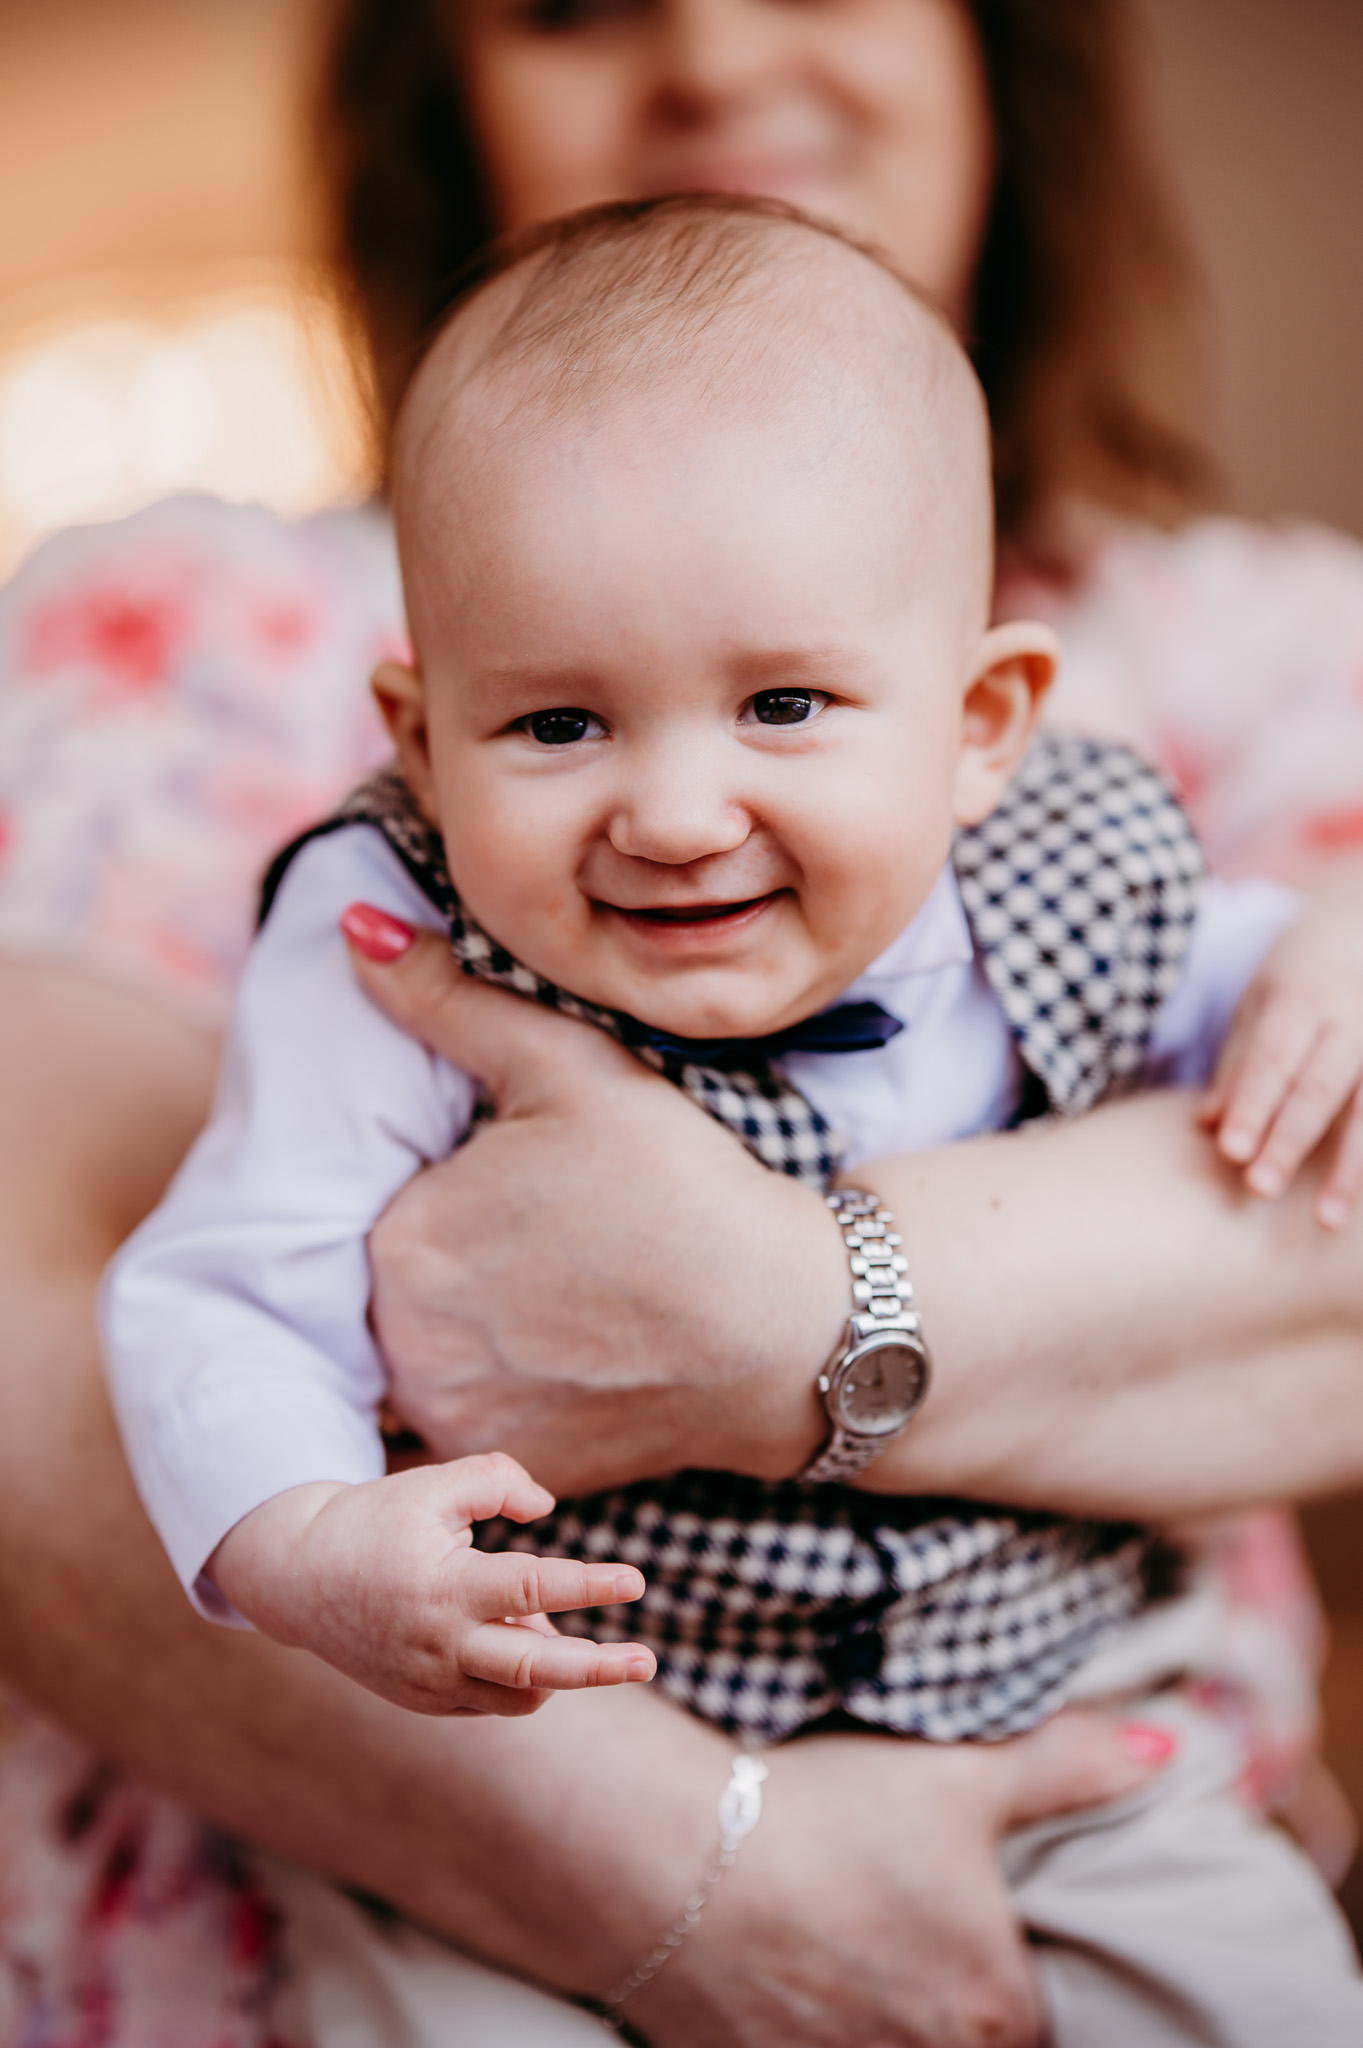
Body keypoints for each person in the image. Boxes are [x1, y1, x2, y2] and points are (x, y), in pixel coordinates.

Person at [3, 2, 1363, 2043]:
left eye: (784, 706)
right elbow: (197, 1283)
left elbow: (1286, 1068)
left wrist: (1328, 958)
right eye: (557, 723)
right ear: (418, 736)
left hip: (1064, 1729)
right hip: (482, 1794)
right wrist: (313, 1541)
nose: (672, 809)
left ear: (985, 721)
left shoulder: (1121, 814)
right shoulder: (374, 927)